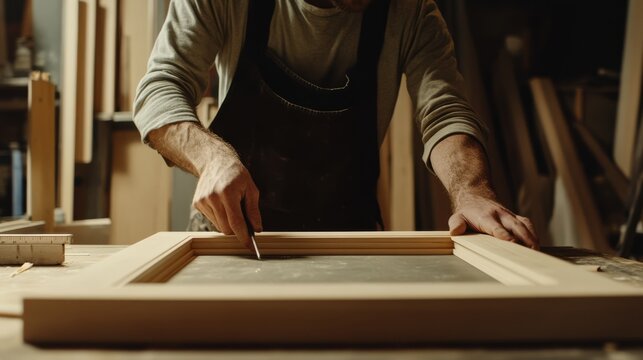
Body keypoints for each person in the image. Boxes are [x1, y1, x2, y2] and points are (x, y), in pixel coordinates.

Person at [134, 0, 538, 250]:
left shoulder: (411, 11)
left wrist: (471, 192)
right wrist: (212, 158)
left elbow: (445, 111)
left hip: (351, 237)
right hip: (232, 235)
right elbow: (159, 88)